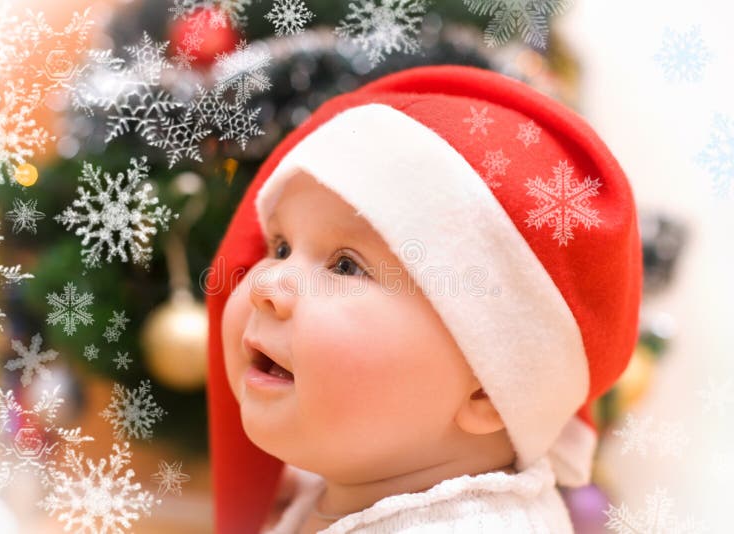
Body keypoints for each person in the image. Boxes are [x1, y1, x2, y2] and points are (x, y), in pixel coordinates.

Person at [205, 65, 642, 533]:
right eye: (281, 247)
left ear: (488, 390)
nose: (267, 284)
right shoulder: (369, 481)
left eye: (345, 265)